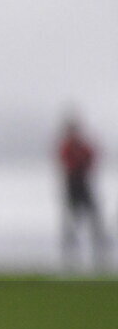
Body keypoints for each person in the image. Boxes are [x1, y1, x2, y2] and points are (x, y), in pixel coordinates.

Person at [58, 115, 107, 269]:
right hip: (73, 183)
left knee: (93, 217)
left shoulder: (83, 146)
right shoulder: (66, 146)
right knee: (72, 220)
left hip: (83, 182)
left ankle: (98, 253)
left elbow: (92, 157)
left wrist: (83, 163)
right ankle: (70, 256)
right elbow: (66, 161)